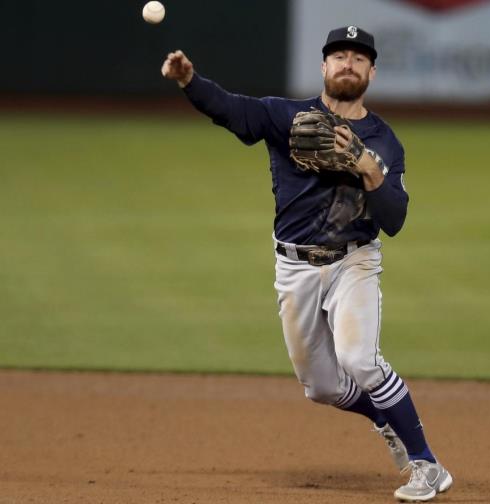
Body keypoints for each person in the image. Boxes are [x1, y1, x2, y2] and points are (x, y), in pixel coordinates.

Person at [161, 26, 452, 502]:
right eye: (339, 55)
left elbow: (395, 219)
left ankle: (427, 465)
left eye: (359, 58)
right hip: (293, 267)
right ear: (323, 67)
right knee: (321, 387)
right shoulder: (286, 116)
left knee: (360, 360)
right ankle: (385, 418)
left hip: (353, 262)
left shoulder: (384, 141)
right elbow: (233, 109)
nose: (348, 63)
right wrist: (191, 81)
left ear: (371, 72)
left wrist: (367, 166)